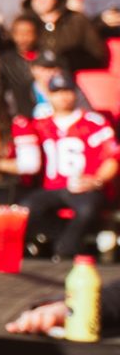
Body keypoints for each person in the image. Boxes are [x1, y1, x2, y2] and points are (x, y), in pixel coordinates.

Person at [24, 69, 117, 257]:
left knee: (87, 209)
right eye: (57, 92)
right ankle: (64, 239)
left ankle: (66, 248)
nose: (64, 97)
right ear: (49, 95)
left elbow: (112, 159)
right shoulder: (39, 124)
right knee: (26, 208)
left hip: (83, 187)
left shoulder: (95, 123)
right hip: (51, 187)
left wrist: (96, 180)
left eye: (68, 90)